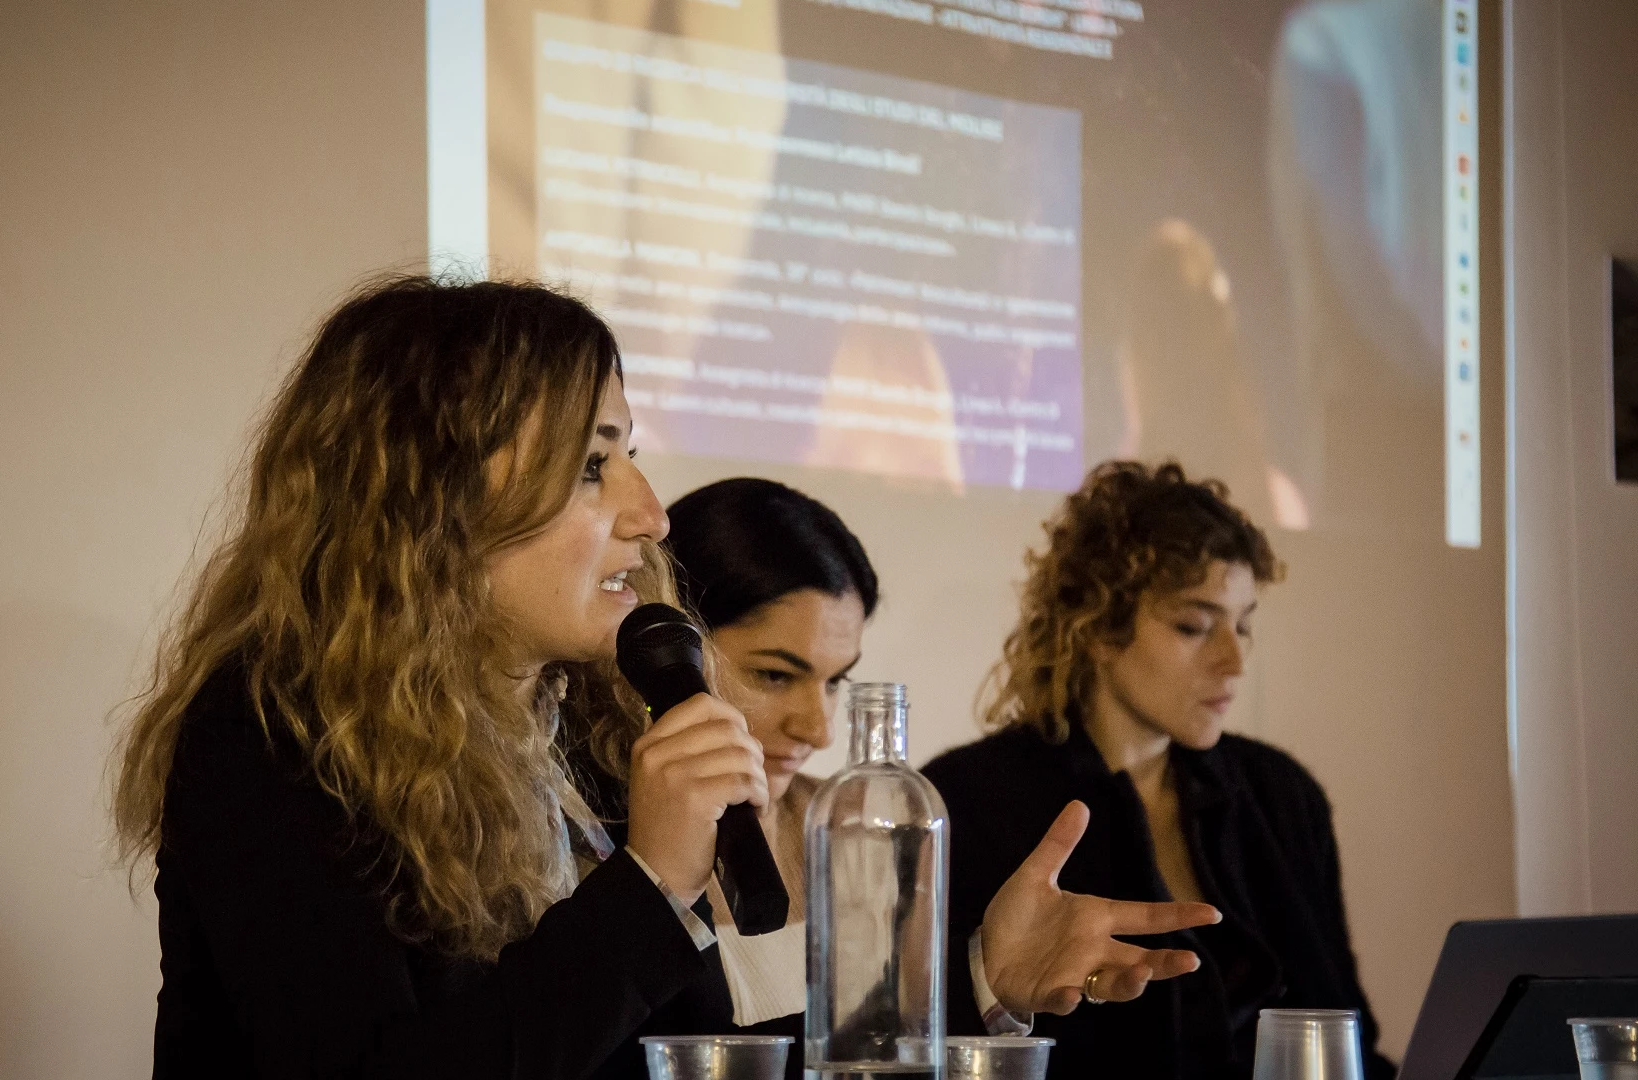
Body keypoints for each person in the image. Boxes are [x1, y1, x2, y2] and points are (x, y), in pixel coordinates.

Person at [113, 276, 1217, 1080]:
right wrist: (643, 887)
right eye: (595, 462)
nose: (647, 514)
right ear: (433, 492)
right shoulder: (273, 736)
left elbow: (691, 1064)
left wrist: (984, 980)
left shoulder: (570, 736)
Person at [662, 476, 1221, 1066]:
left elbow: (867, 1050)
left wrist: (985, 977)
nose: (819, 729)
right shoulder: (595, 835)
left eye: (836, 681)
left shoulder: (845, 824)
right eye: (774, 676)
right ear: (669, 650)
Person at [922, 460, 1397, 1080]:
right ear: (1096, 625)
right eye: (1193, 625)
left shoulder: (1281, 795)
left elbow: (1347, 1036)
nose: (1234, 661)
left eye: (1244, 624)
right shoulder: (968, 799)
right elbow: (921, 1045)